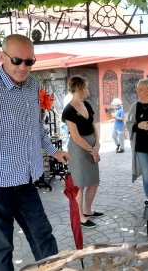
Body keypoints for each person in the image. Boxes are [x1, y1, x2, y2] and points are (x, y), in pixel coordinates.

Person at [0, 34, 70, 271]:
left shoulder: (33, 84)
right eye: (17, 60)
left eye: (29, 61)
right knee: (2, 248)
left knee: (44, 236)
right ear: (2, 57)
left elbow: (36, 126)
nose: (23, 67)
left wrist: (53, 151)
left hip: (25, 179)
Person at [62, 76, 102, 228]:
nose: (88, 90)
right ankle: (80, 216)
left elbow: (93, 127)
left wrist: (97, 143)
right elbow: (77, 138)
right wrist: (93, 151)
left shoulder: (87, 105)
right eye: (86, 87)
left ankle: (87, 210)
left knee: (94, 181)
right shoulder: (68, 111)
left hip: (92, 147)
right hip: (79, 150)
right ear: (79, 88)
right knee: (80, 184)